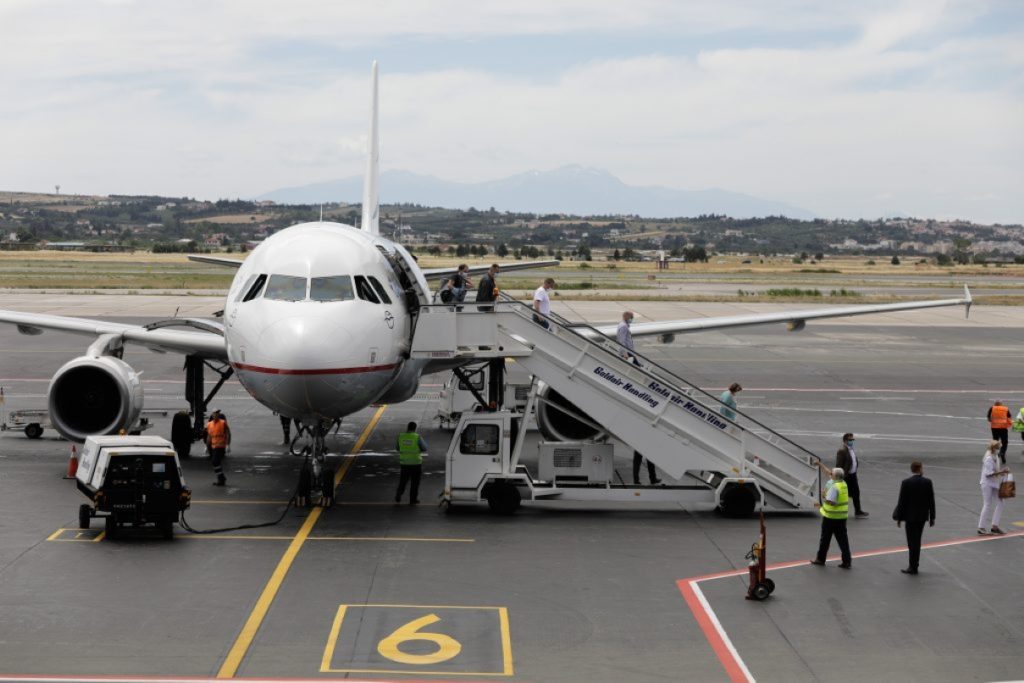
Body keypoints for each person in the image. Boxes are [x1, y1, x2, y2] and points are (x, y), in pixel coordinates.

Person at [892, 460, 936, 575]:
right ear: (920, 468)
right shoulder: (928, 482)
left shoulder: (906, 483)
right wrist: (932, 517)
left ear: (912, 469)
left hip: (910, 517)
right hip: (922, 517)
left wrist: (899, 518)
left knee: (912, 542)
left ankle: (912, 566)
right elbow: (931, 501)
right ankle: (914, 565)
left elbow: (902, 502)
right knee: (917, 541)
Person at [810, 467, 852, 569]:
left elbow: (830, 501)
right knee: (843, 540)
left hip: (830, 517)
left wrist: (820, 504)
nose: (830, 474)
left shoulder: (834, 487)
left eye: (832, 473)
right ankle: (847, 561)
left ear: (835, 476)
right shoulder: (843, 484)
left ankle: (820, 559)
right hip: (841, 517)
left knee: (825, 539)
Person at [978, 439, 1011, 535]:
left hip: (993, 483)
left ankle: (994, 526)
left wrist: (1001, 472)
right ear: (994, 448)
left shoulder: (995, 456)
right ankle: (981, 527)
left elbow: (995, 470)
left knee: (1001, 502)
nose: (999, 450)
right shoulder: (988, 458)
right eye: (998, 448)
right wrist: (1002, 472)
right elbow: (988, 474)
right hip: (987, 483)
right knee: (987, 504)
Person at [835, 432, 868, 517]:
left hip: (853, 475)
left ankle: (858, 511)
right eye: (850, 440)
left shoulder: (851, 449)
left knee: (856, 493)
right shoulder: (842, 451)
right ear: (845, 440)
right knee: (843, 495)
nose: (852, 441)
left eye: (852, 440)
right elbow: (838, 466)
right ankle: (839, 511)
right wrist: (839, 478)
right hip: (846, 477)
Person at [395, 421, 428, 505]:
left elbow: (397, 448)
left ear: (407, 427)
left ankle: (399, 493)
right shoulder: (417, 437)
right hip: (416, 463)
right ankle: (412, 499)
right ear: (415, 428)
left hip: (404, 463)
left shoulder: (400, 436)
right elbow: (425, 448)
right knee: (415, 482)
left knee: (403, 480)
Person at [205, 409, 231, 486]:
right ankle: (221, 478)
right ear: (212, 415)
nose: (216, 415)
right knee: (216, 462)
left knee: (215, 461)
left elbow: (228, 434)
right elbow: (209, 436)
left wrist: (227, 445)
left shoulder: (223, 423)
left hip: (221, 446)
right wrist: (206, 446)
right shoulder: (209, 424)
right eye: (215, 413)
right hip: (213, 446)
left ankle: (221, 478)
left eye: (217, 413)